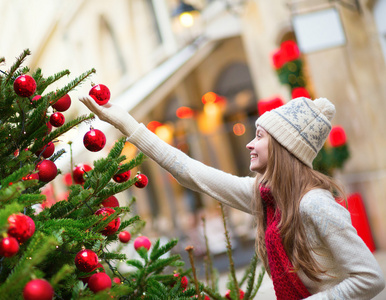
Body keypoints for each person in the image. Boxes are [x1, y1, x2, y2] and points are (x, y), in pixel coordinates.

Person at [80, 95, 385, 299]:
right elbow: (189, 171)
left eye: (260, 136)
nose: (250, 145)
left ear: (283, 147)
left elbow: (370, 278)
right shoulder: (267, 197)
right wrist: (127, 125)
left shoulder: (315, 204)